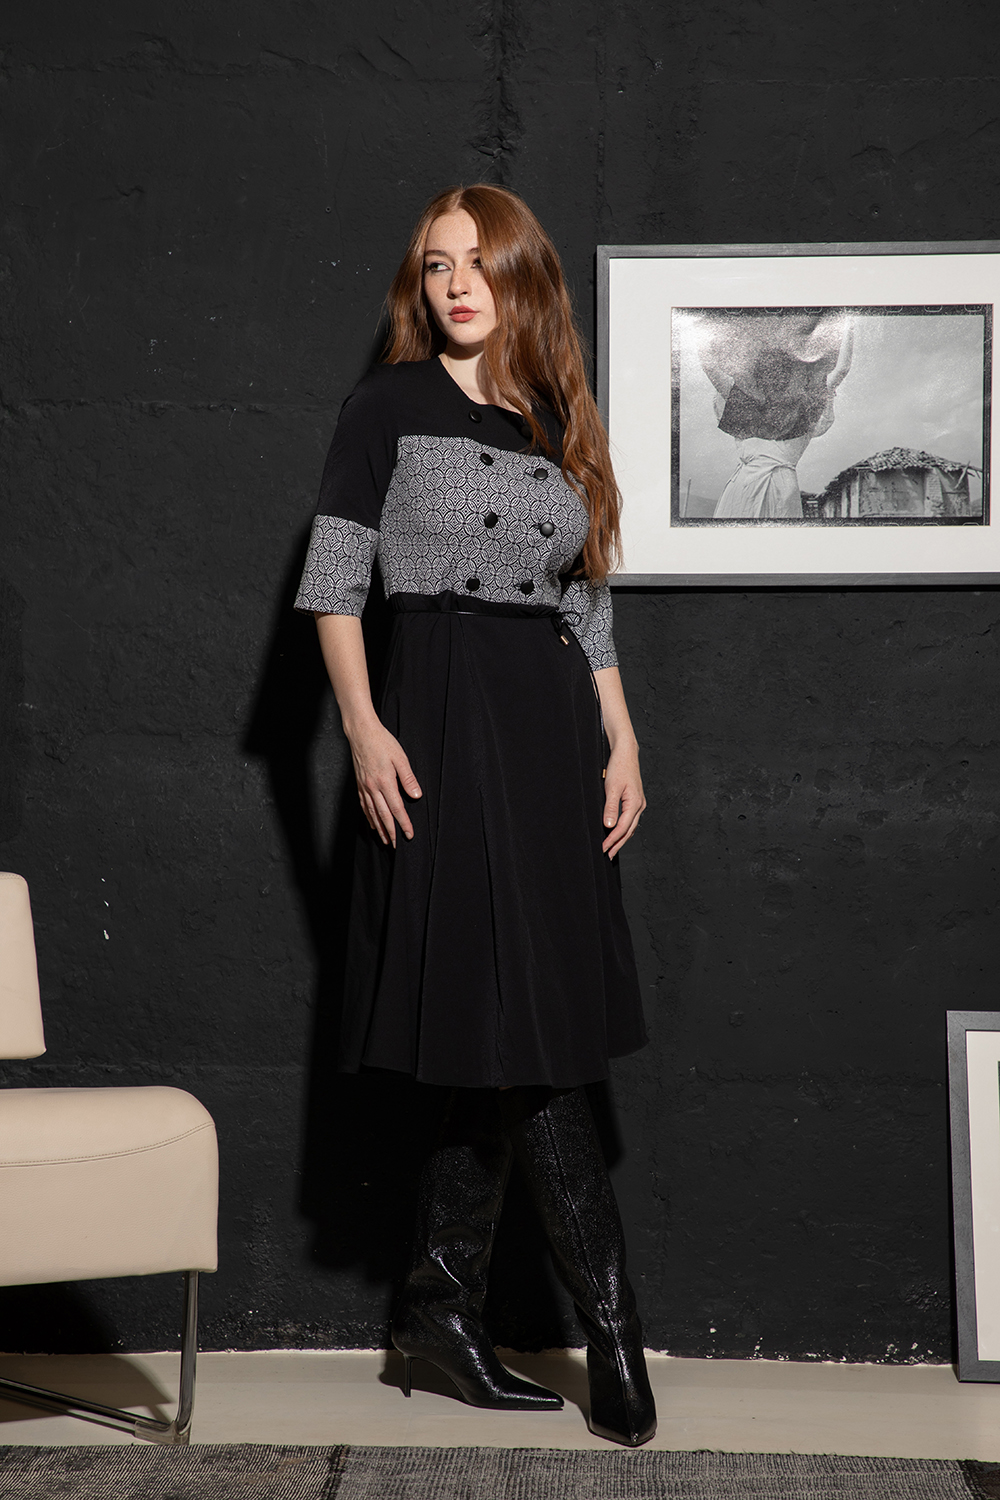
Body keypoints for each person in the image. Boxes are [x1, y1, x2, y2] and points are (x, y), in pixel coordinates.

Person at [294, 184, 655, 1447]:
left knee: (503, 1029)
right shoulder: (385, 404)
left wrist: (621, 737)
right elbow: (334, 578)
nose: (455, 285)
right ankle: (612, 1330)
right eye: (436, 265)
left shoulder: (555, 417)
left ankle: (440, 1311)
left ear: (520, 278)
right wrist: (362, 724)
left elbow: (584, 599)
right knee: (515, 1031)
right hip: (436, 724)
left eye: (478, 263)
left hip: (549, 735)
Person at [695, 312, 853, 519]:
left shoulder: (745, 404)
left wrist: (700, 327)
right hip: (775, 490)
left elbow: (710, 366)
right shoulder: (805, 409)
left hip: (747, 489)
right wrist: (848, 324)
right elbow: (842, 369)